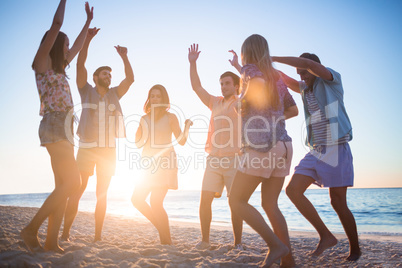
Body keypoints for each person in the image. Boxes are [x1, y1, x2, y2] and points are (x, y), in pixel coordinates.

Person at [272, 53, 361, 261]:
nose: (302, 77)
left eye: (305, 73)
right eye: (300, 74)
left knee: (338, 202)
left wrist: (273, 56)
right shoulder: (305, 89)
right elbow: (285, 78)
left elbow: (307, 64)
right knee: (293, 190)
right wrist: (263, 63)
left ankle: (355, 249)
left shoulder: (331, 80)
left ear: (314, 68)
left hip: (337, 148)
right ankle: (326, 235)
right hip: (316, 150)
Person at [21, 0, 93, 253]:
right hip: (54, 125)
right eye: (65, 44)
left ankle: (51, 241)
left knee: (62, 186)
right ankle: (31, 229)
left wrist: (87, 23)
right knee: (73, 183)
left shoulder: (61, 69)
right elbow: (57, 24)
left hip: (65, 128)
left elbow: (78, 46)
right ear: (53, 46)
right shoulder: (42, 64)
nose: (68, 49)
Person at [228, 34, 299, 268]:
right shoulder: (276, 77)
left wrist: (242, 102)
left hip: (261, 147)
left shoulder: (250, 70)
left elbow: (255, 87)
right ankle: (288, 262)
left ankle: (275, 245)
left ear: (247, 52)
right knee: (270, 204)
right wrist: (274, 118)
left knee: (236, 200)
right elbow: (293, 109)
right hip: (283, 145)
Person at [61, 27, 134, 242]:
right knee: (78, 189)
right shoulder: (86, 90)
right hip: (86, 147)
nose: (109, 77)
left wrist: (125, 57)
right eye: (105, 74)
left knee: (102, 193)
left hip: (108, 150)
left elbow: (130, 79)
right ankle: (65, 233)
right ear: (95, 77)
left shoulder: (114, 94)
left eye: (110, 75)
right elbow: (80, 64)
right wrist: (88, 41)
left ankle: (98, 237)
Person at [188, 44, 244, 250]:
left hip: (234, 160)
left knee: (235, 203)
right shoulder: (215, 102)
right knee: (204, 200)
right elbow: (197, 88)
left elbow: (250, 87)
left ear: (236, 86)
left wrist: (238, 66)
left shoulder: (240, 102)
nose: (223, 87)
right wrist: (192, 63)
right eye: (221, 84)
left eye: (227, 83)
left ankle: (238, 243)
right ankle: (205, 241)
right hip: (213, 159)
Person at [132, 85, 192, 245]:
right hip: (147, 164)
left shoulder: (171, 117)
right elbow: (138, 143)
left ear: (163, 99)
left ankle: (166, 240)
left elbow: (182, 141)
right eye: (152, 96)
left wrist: (186, 128)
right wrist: (138, 132)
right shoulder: (144, 119)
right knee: (136, 199)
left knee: (156, 203)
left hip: (165, 163)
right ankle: (163, 231)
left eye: (158, 96)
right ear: (149, 99)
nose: (155, 99)